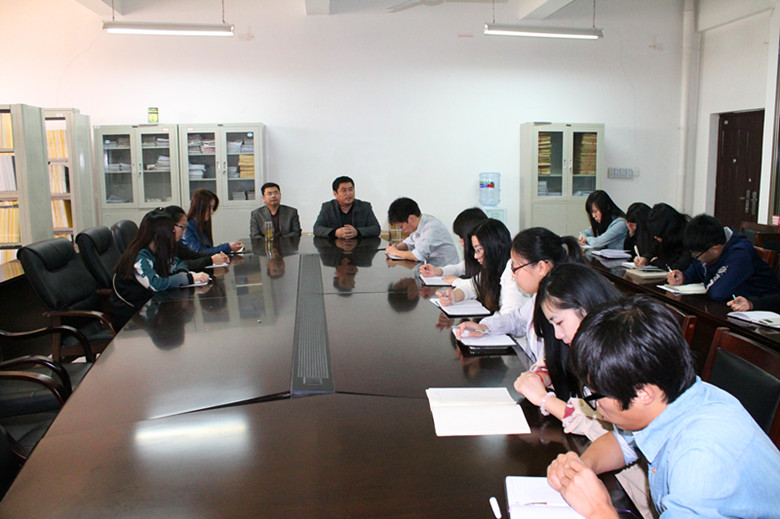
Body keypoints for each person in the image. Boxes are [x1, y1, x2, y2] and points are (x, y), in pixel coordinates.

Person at [547, 296, 780, 519]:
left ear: (644, 394)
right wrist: (581, 468)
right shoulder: (677, 397)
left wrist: (600, 511)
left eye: (596, 394)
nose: (595, 405)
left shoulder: (700, 461)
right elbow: (623, 442)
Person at [456, 227, 583, 363]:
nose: (513, 275)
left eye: (516, 268)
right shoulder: (540, 296)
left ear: (541, 268)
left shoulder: (564, 304)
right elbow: (517, 319)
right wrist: (485, 327)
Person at [111, 209, 209, 330]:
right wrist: (188, 278)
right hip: (131, 319)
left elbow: (178, 263)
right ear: (158, 235)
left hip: (152, 308)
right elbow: (156, 284)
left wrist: (182, 273)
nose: (173, 234)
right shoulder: (140, 258)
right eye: (171, 231)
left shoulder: (158, 250)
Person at [666, 213, 780, 301]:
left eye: (696, 254)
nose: (695, 257)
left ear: (715, 249)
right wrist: (683, 277)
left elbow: (718, 292)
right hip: (732, 306)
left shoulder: (740, 254)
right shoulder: (708, 245)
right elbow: (697, 270)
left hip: (760, 311)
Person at [436, 218, 529, 315]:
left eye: (479, 250)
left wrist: (485, 324)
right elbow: (471, 286)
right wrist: (453, 296)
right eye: (475, 250)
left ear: (494, 247)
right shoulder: (493, 269)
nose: (476, 256)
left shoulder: (512, 272)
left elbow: (509, 316)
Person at [385, 197, 459, 267]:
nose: (402, 230)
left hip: (446, 272)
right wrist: (396, 247)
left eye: (401, 226)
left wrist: (395, 252)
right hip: (433, 270)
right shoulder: (418, 225)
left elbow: (418, 256)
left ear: (411, 218)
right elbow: (409, 243)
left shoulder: (432, 228)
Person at [419, 207, 487, 281]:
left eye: (461, 236)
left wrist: (457, 281)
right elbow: (458, 269)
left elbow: (478, 284)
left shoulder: (488, 257)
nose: (460, 240)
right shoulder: (473, 254)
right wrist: (437, 271)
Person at [163, 205, 228, 271]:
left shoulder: (176, 244)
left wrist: (217, 256)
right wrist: (210, 260)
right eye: (182, 227)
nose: (184, 232)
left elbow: (193, 255)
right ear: (170, 226)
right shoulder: (161, 246)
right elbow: (179, 265)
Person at [313, 176, 381, 239]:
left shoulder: (364, 207)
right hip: (334, 247)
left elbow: (376, 229)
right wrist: (335, 232)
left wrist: (357, 232)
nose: (348, 193)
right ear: (335, 193)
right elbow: (317, 228)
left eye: (351, 189)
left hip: (360, 246)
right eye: (344, 190)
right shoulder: (328, 207)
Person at [181, 189, 243, 255]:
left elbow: (207, 250)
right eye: (209, 207)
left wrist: (228, 247)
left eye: (213, 208)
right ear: (200, 207)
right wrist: (227, 247)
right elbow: (199, 252)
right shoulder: (187, 227)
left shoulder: (201, 225)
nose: (212, 212)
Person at [635, 203, 691, 271]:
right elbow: (653, 250)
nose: (656, 238)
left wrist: (655, 261)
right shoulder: (666, 234)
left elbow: (678, 266)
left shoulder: (688, 237)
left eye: (659, 236)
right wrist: (645, 258)